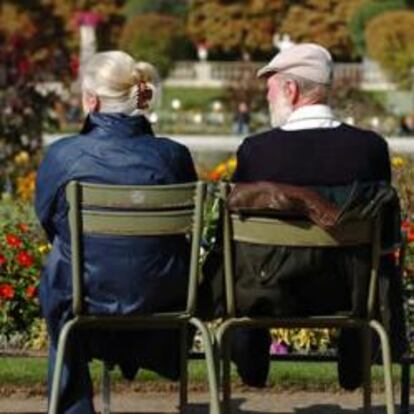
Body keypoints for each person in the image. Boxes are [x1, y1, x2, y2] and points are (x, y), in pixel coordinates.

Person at [201, 43, 405, 390]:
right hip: (350, 296)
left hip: (268, 296)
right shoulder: (369, 149)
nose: (267, 99)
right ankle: (355, 361)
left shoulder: (257, 151)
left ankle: (251, 359)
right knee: (376, 262)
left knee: (234, 259)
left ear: (291, 90)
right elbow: (385, 239)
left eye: (270, 90)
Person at [35, 51, 197, 413]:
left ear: (91, 101)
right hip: (163, 296)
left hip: (86, 296)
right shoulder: (174, 157)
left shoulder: (63, 156)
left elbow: (48, 222)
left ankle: (74, 406)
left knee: (59, 271)